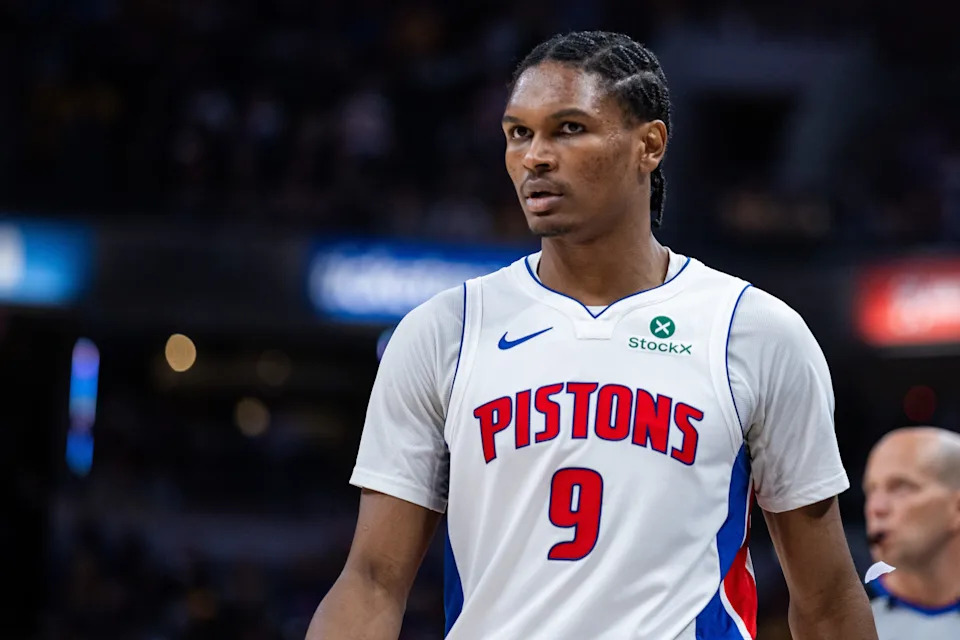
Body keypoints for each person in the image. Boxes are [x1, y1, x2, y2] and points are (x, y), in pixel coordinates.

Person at [306, 30, 876, 639]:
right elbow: (371, 581)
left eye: (568, 128)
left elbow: (825, 598)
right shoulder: (443, 330)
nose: (535, 156)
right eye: (518, 133)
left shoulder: (755, 332)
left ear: (649, 145)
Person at [862, 427, 960, 639]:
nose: (876, 507)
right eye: (871, 490)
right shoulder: (841, 621)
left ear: (957, 507)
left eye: (901, 487)